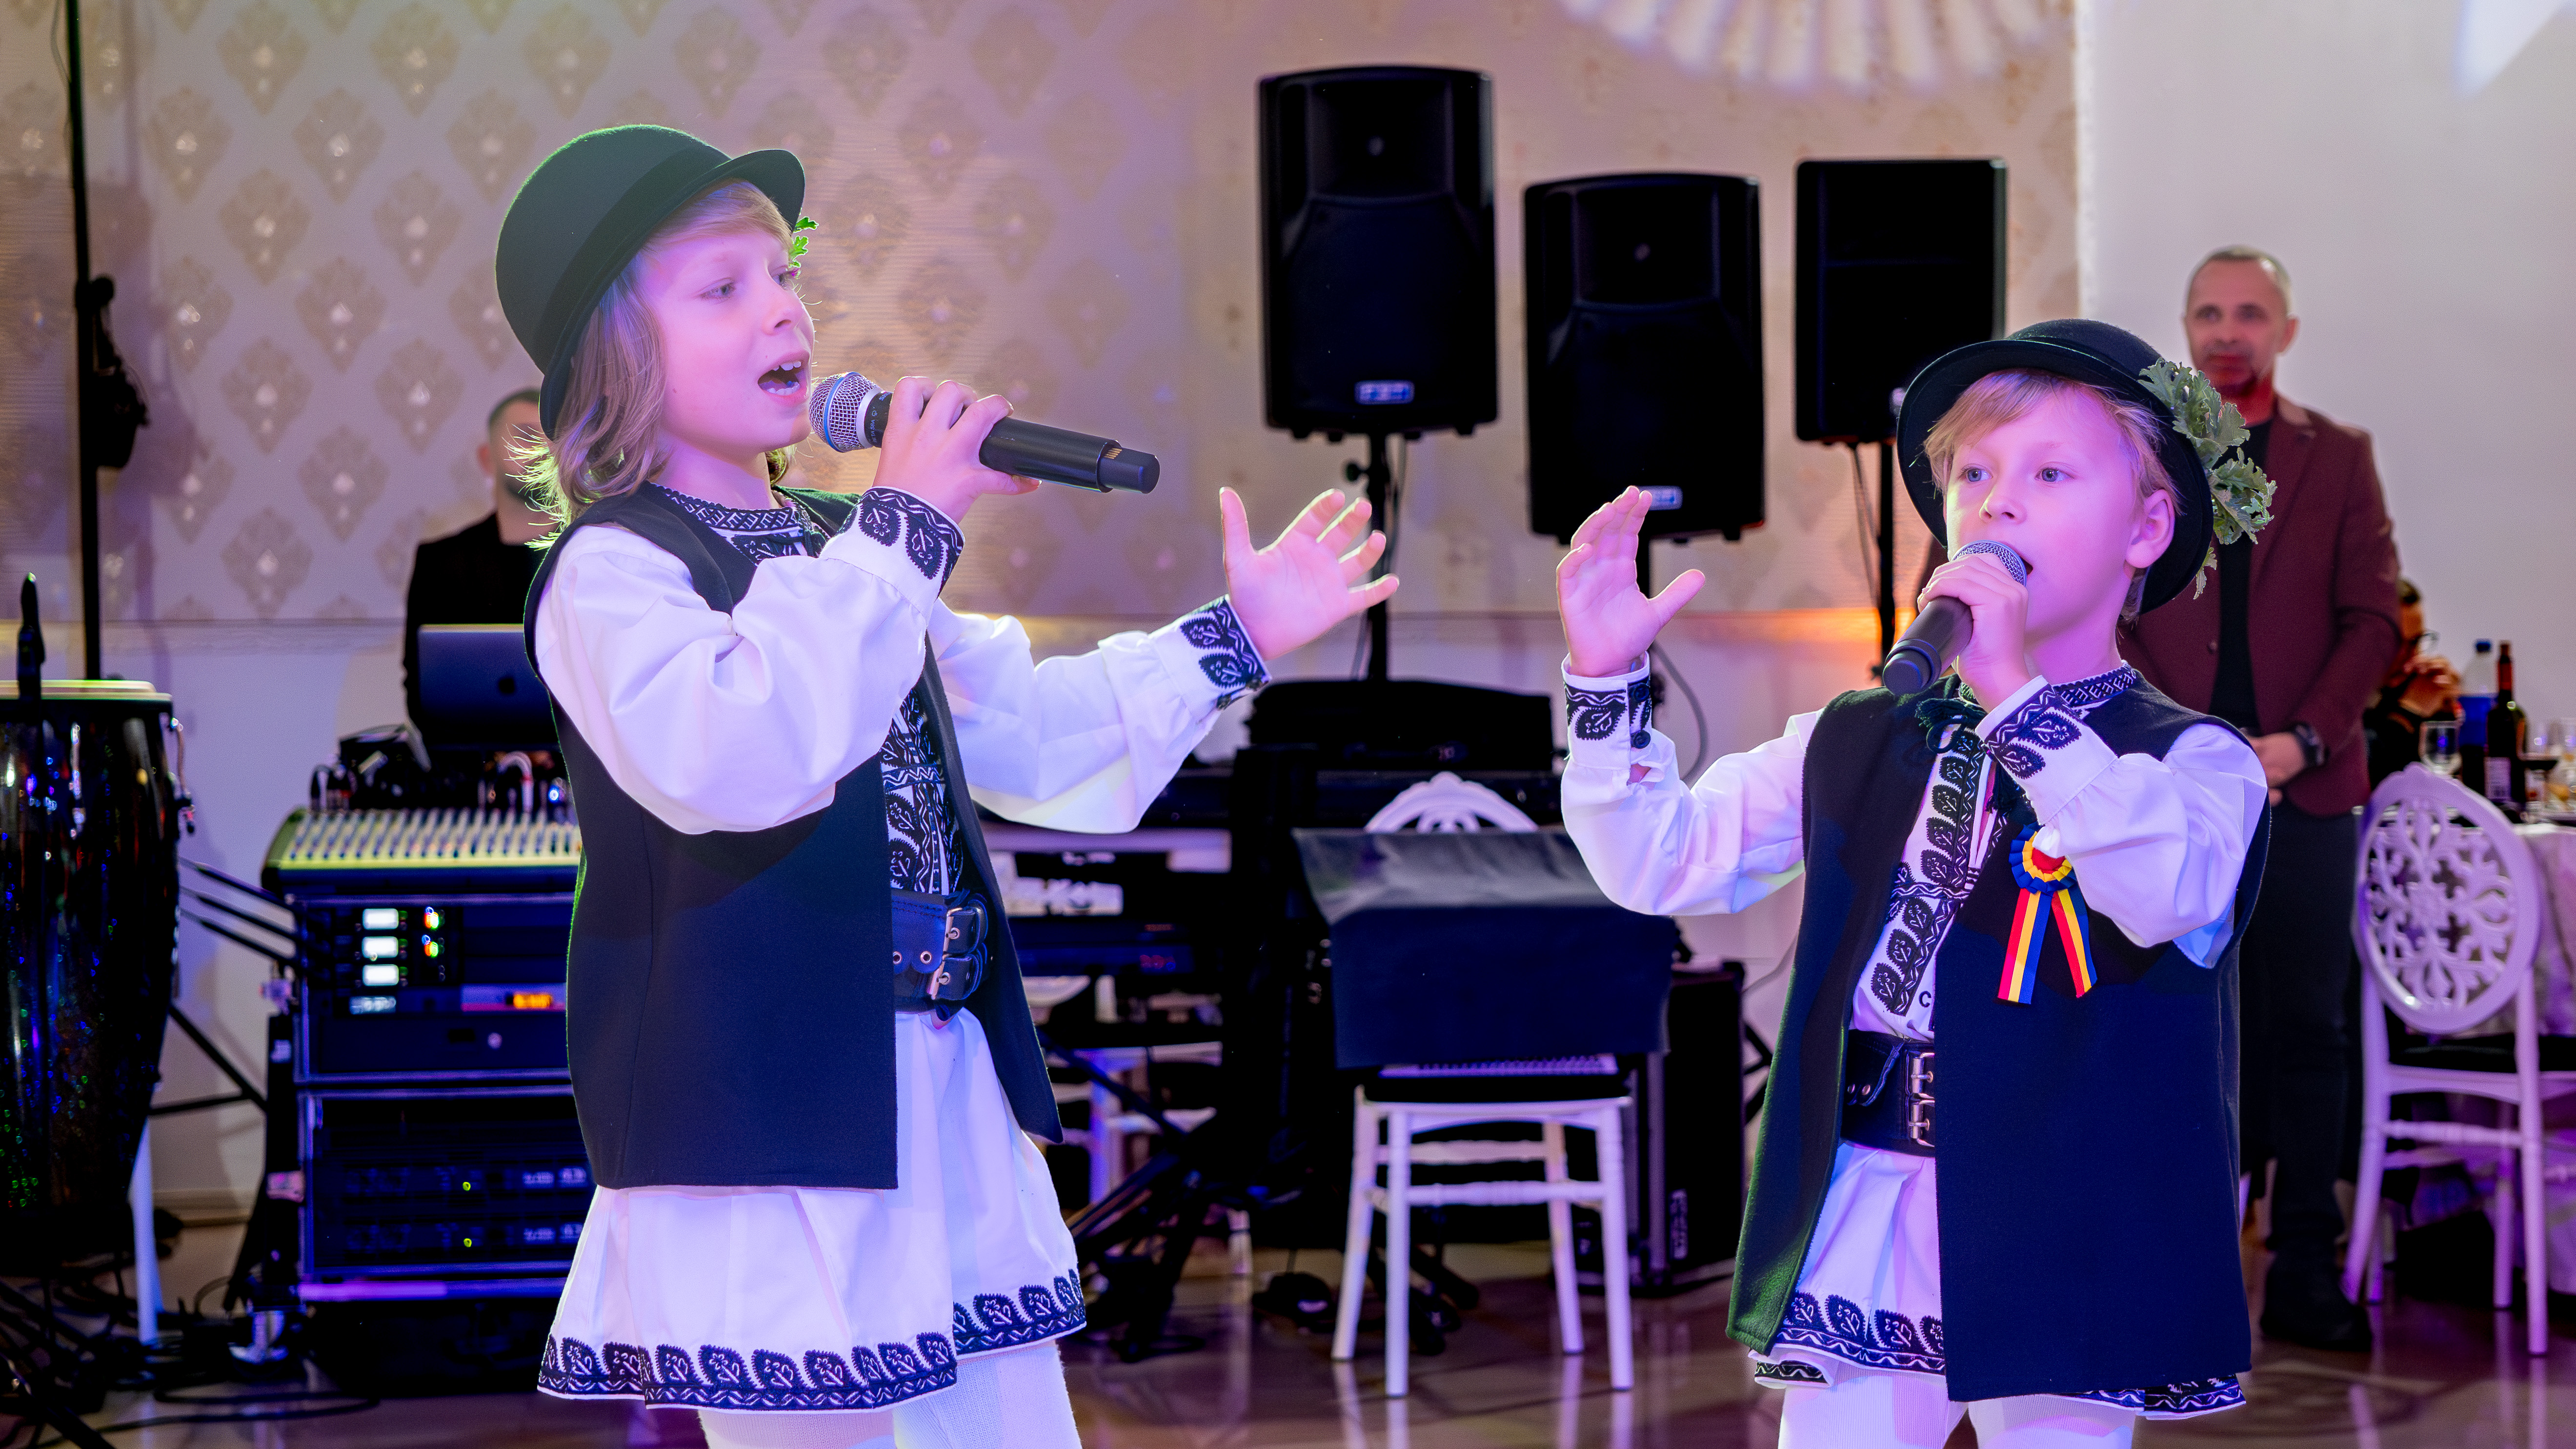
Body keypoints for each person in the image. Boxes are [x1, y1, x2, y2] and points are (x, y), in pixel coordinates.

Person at [491, 126, 1394, 1449]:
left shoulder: (849, 554)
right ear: (615, 354)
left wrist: (1235, 635)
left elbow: (1025, 731)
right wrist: (904, 525)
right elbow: (739, 755)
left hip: (932, 1081)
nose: (783, 309)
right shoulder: (612, 571)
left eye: (784, 275)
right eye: (723, 287)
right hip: (772, 1113)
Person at [1557, 320, 2271, 1447]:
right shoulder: (1861, 732)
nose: (1998, 504)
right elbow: (1661, 859)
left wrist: (2017, 697)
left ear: (2145, 527)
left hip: (2065, 1206)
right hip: (1872, 1196)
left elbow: (2163, 890)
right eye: (1973, 475)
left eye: (2049, 473)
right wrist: (1606, 685)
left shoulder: (2196, 760)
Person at [2121, 245, 2403, 1352]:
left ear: (2285, 332)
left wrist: (2299, 744)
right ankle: (2181, 1262)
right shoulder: (2144, 458)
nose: (2227, 332)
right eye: (2208, 313)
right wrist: (2172, 742)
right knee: (2177, 1027)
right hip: (2173, 789)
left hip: (2305, 787)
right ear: (2187, 330)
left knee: (2308, 1029)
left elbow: (2372, 620)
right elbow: (2113, 612)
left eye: (2249, 313)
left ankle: (2304, 1267)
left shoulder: (2339, 458)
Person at [402, 387, 554, 729]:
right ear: (487, 458)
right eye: (525, 437)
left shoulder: (592, 559)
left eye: (551, 440)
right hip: (475, 758)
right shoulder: (442, 564)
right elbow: (424, 692)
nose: (539, 451)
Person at [2362, 578, 2457, 786]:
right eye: (2395, 643)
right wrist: (2408, 712)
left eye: (2416, 642)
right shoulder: (2332, 691)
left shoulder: (2414, 684)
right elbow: (2364, 774)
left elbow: (2440, 780)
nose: (2409, 658)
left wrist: (2448, 715)